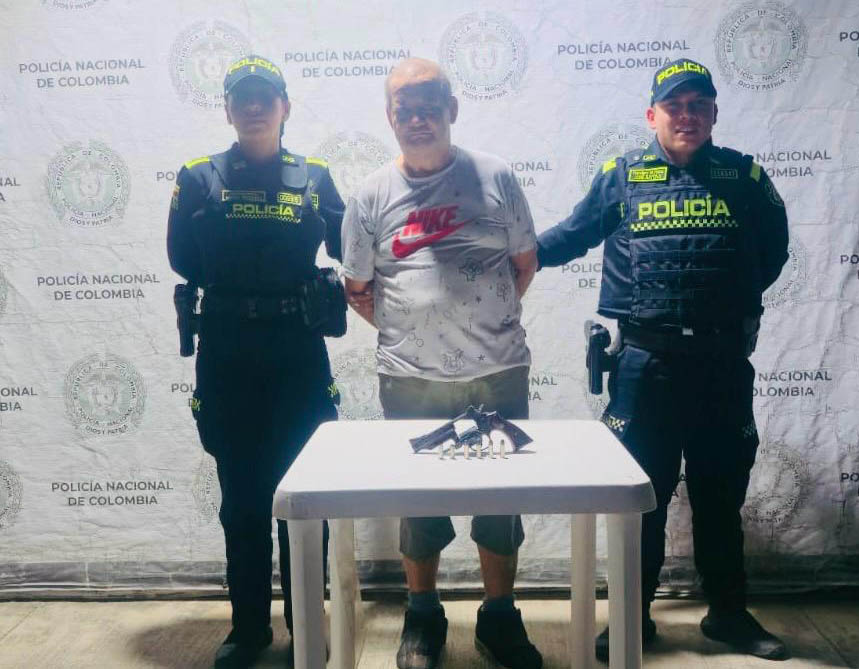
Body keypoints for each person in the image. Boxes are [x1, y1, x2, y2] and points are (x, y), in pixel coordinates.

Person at [536, 58, 790, 662]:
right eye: (674, 106)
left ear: (714, 114)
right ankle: (632, 618)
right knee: (638, 499)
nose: (687, 115)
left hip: (721, 364)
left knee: (720, 495)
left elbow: (773, 251)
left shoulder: (743, 176)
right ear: (653, 116)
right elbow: (571, 235)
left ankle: (728, 615)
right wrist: (511, 255)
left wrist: (721, 303)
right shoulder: (622, 175)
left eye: (698, 105)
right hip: (645, 366)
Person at [341, 57, 541, 669]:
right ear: (390, 116)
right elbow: (358, 289)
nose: (418, 118)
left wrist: (476, 326)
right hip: (411, 381)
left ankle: (499, 618)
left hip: (496, 371)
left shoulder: (496, 176)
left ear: (452, 109)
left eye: (430, 106)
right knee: (420, 503)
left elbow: (524, 263)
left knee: (500, 502)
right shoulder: (370, 194)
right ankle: (423, 616)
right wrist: (416, 330)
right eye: (405, 109)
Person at [167, 55, 345, 668]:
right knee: (241, 498)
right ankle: (248, 629)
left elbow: (350, 245)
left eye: (264, 97)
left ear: (284, 107)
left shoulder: (316, 177)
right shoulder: (199, 176)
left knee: (305, 498)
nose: (253, 107)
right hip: (228, 355)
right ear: (227, 110)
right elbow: (183, 258)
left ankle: (305, 628)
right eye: (241, 98)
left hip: (298, 355)